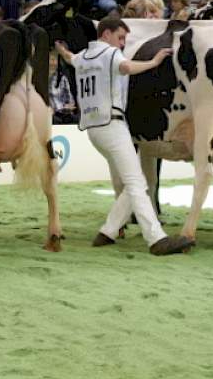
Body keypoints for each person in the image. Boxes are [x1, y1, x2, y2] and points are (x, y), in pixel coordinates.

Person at [54, 18, 193, 255]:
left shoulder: (84, 57)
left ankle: (108, 231)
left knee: (134, 181)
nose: (122, 44)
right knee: (138, 184)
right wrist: (154, 61)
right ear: (106, 34)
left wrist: (61, 50)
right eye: (120, 37)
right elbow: (127, 68)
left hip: (93, 130)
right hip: (113, 125)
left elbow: (70, 58)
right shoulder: (110, 54)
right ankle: (156, 239)